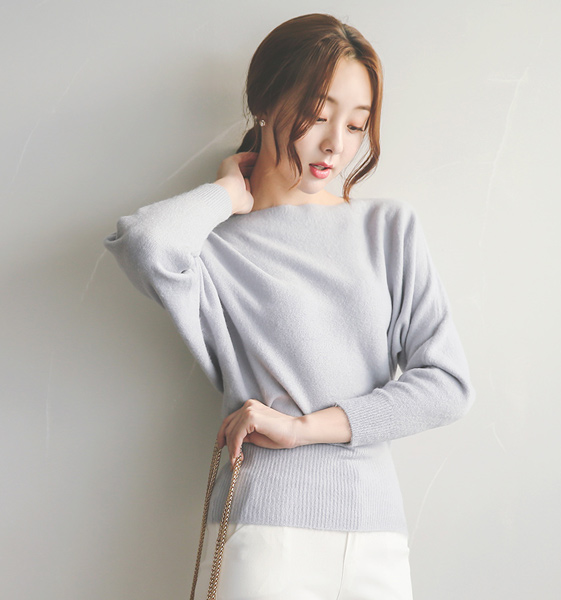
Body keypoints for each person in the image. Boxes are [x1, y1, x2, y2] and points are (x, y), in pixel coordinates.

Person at [103, 13, 475, 600]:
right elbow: (146, 244)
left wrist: (303, 429)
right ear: (266, 105)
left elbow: (447, 386)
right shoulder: (214, 246)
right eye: (319, 114)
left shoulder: (388, 230)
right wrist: (227, 192)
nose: (336, 144)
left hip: (375, 538)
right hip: (265, 535)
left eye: (356, 124)